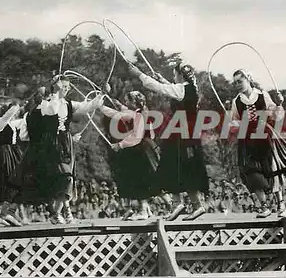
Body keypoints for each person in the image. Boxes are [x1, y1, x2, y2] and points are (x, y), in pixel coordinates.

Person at [127, 62, 209, 221]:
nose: (173, 77)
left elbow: (161, 88)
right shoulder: (189, 88)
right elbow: (172, 88)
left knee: (172, 165)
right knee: (181, 166)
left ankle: (184, 203)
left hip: (183, 134)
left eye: (174, 74)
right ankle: (189, 204)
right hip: (185, 133)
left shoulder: (182, 89)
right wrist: (163, 80)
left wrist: (139, 74)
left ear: (180, 75)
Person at [18, 76, 104, 224]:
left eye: (67, 87)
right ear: (56, 86)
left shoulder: (68, 103)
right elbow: (52, 111)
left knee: (66, 177)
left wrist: (102, 94)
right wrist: (55, 93)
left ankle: (61, 212)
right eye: (64, 86)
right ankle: (59, 212)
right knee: (62, 177)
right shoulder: (46, 103)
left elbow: (88, 107)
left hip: (65, 143)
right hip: (51, 145)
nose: (67, 89)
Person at [229, 69, 286, 218]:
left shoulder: (262, 95)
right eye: (235, 83)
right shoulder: (237, 101)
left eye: (239, 81)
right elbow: (234, 120)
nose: (237, 85)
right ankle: (264, 206)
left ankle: (281, 205)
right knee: (251, 172)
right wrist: (234, 125)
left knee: (272, 169)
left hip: (264, 136)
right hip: (247, 139)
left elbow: (276, 114)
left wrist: (279, 104)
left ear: (248, 79)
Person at [100, 89, 159, 220]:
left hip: (140, 150)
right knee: (136, 178)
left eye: (127, 101)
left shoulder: (138, 115)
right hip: (144, 149)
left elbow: (135, 137)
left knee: (139, 179)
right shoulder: (141, 111)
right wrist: (102, 106)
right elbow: (118, 113)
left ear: (134, 103)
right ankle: (144, 210)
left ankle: (143, 210)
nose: (125, 103)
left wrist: (119, 145)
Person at [0, 101, 30, 226]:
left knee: (21, 182)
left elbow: (25, 121)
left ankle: (9, 212)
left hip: (15, 152)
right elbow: (9, 114)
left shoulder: (12, 123)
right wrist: (18, 105)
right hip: (6, 153)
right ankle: (4, 213)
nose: (16, 113)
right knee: (12, 182)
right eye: (14, 111)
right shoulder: (1, 121)